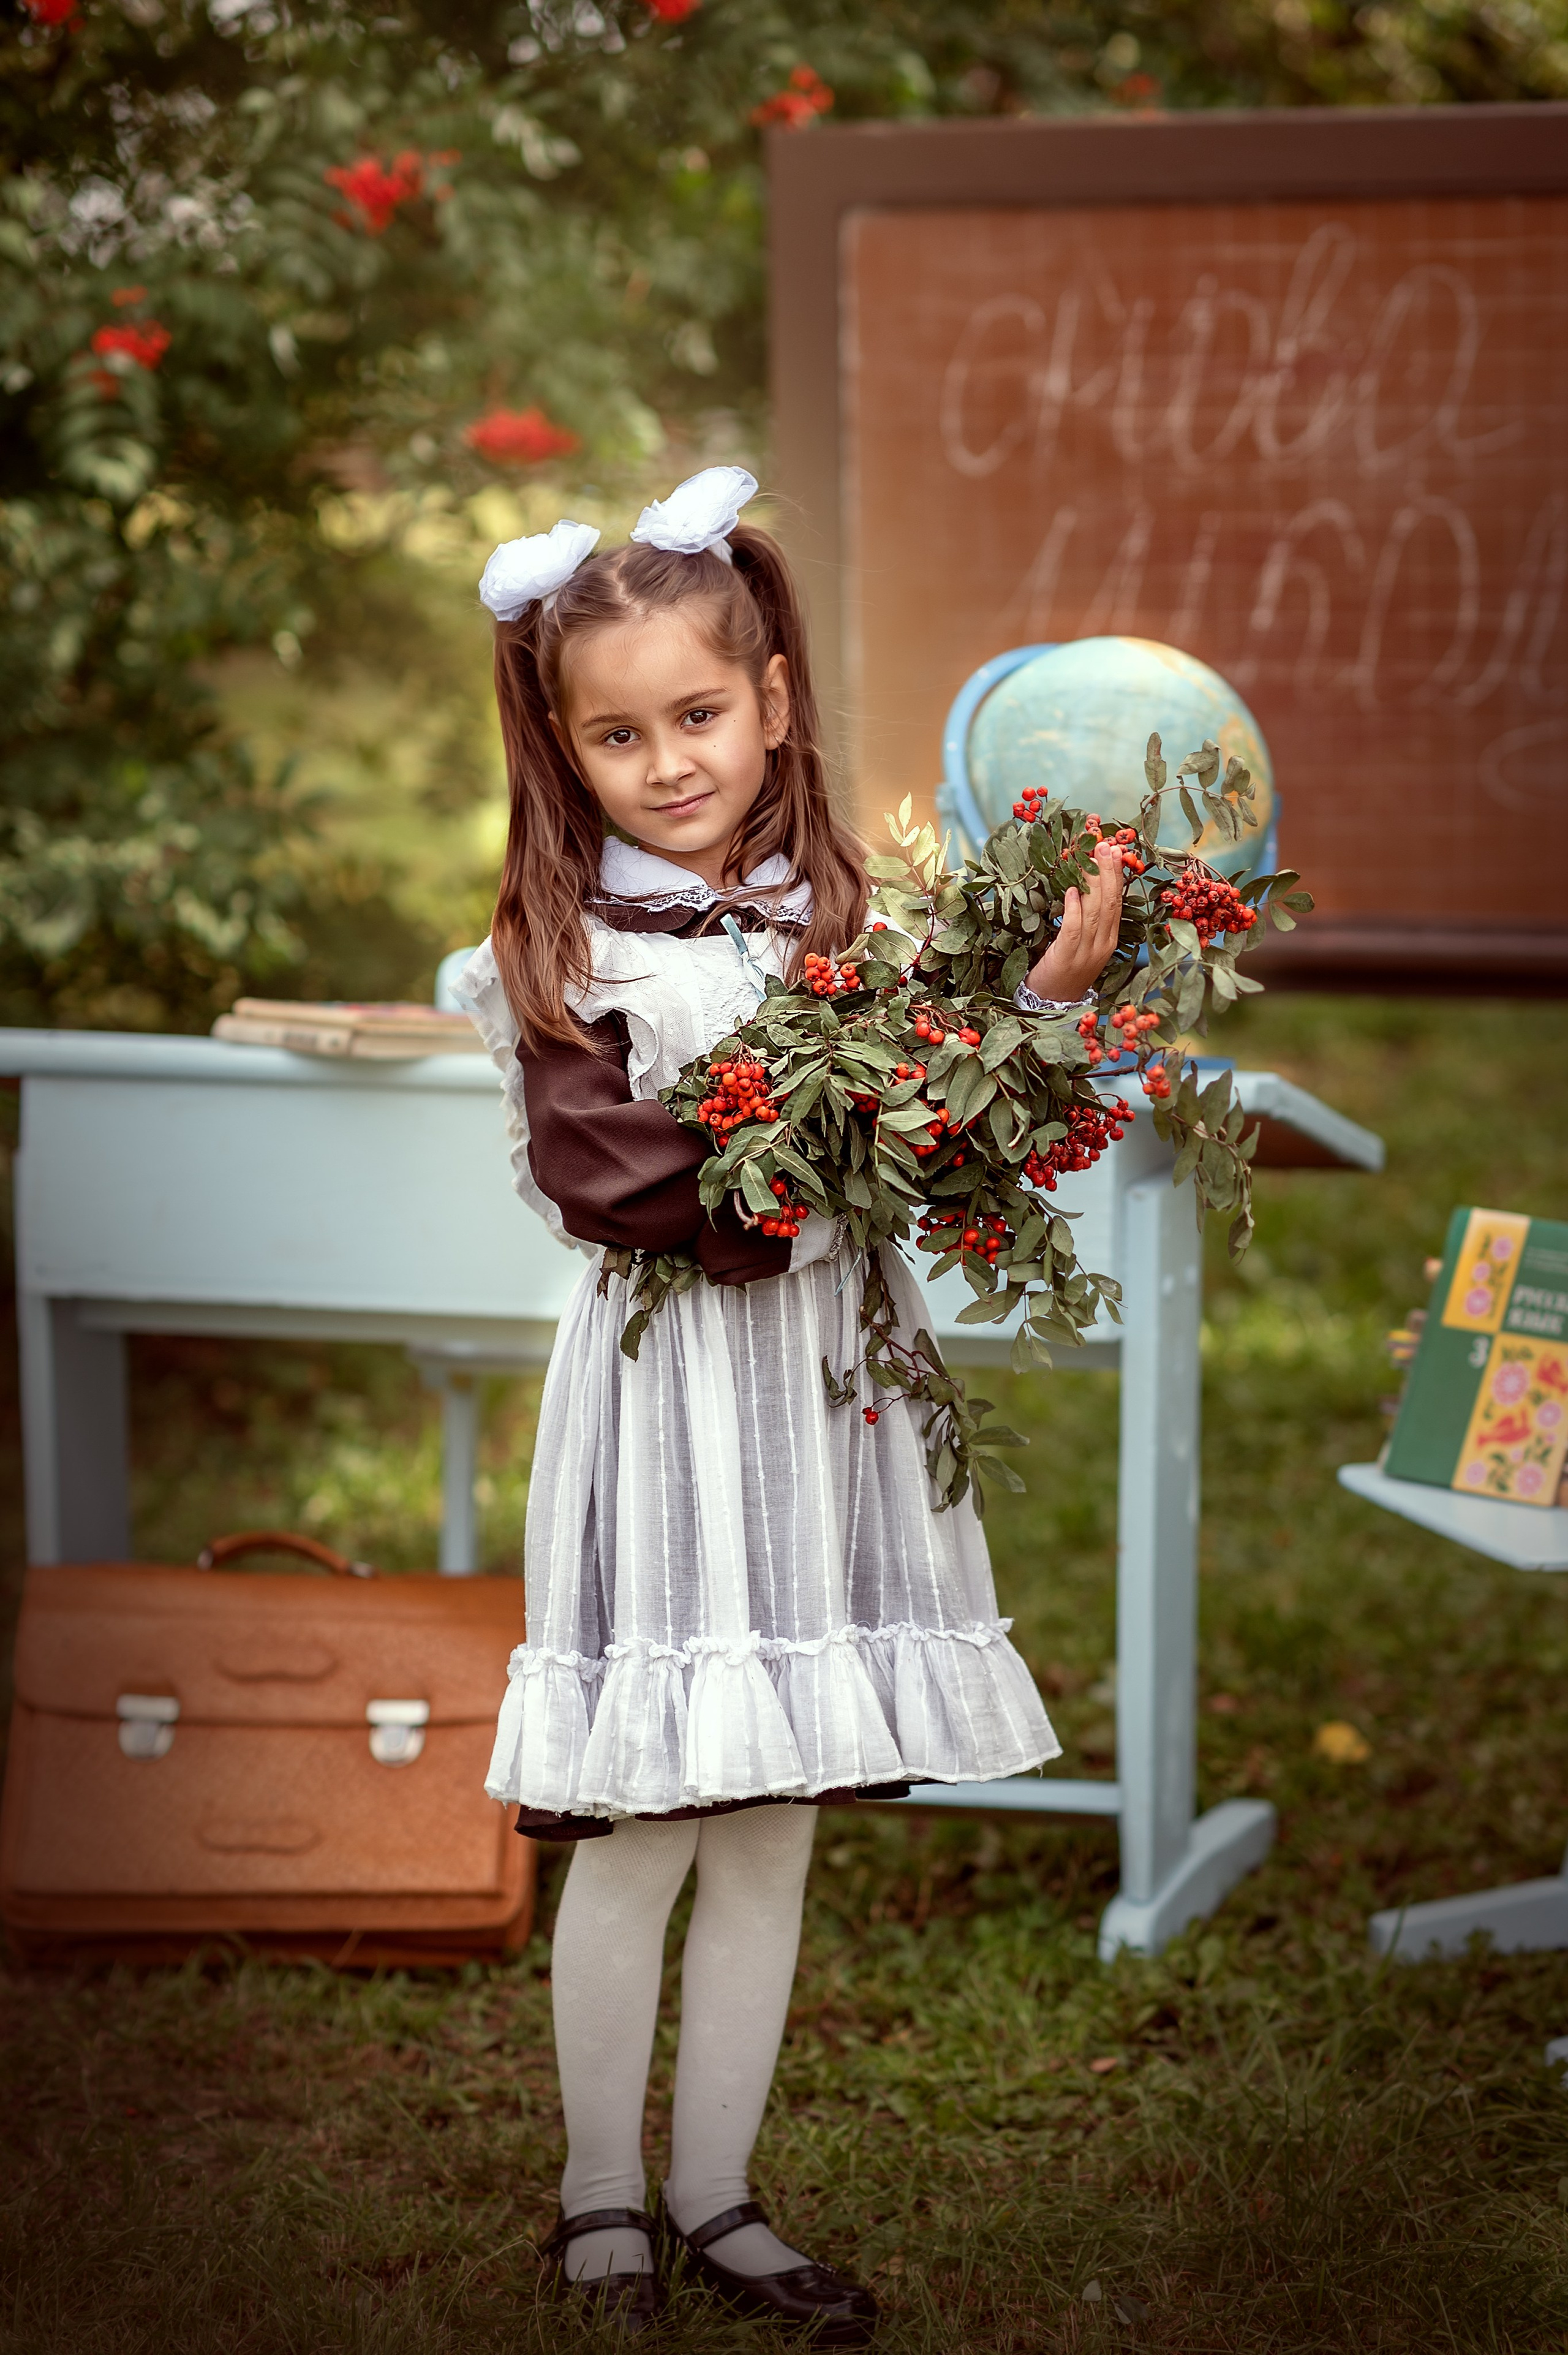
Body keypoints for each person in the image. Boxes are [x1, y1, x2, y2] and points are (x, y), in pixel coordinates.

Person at [456, 467, 1126, 2340]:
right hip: (671, 1400)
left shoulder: (847, 922)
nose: (668, 761)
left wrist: (1030, 1015)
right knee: (653, 1813)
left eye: (698, 713)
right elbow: (621, 1184)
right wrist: (846, 1141)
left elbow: (954, 1129)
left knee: (772, 1822)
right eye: (619, 733)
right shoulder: (567, 951)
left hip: (824, 1405)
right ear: (563, 746)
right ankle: (601, 2196)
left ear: (770, 701)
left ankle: (718, 2191)